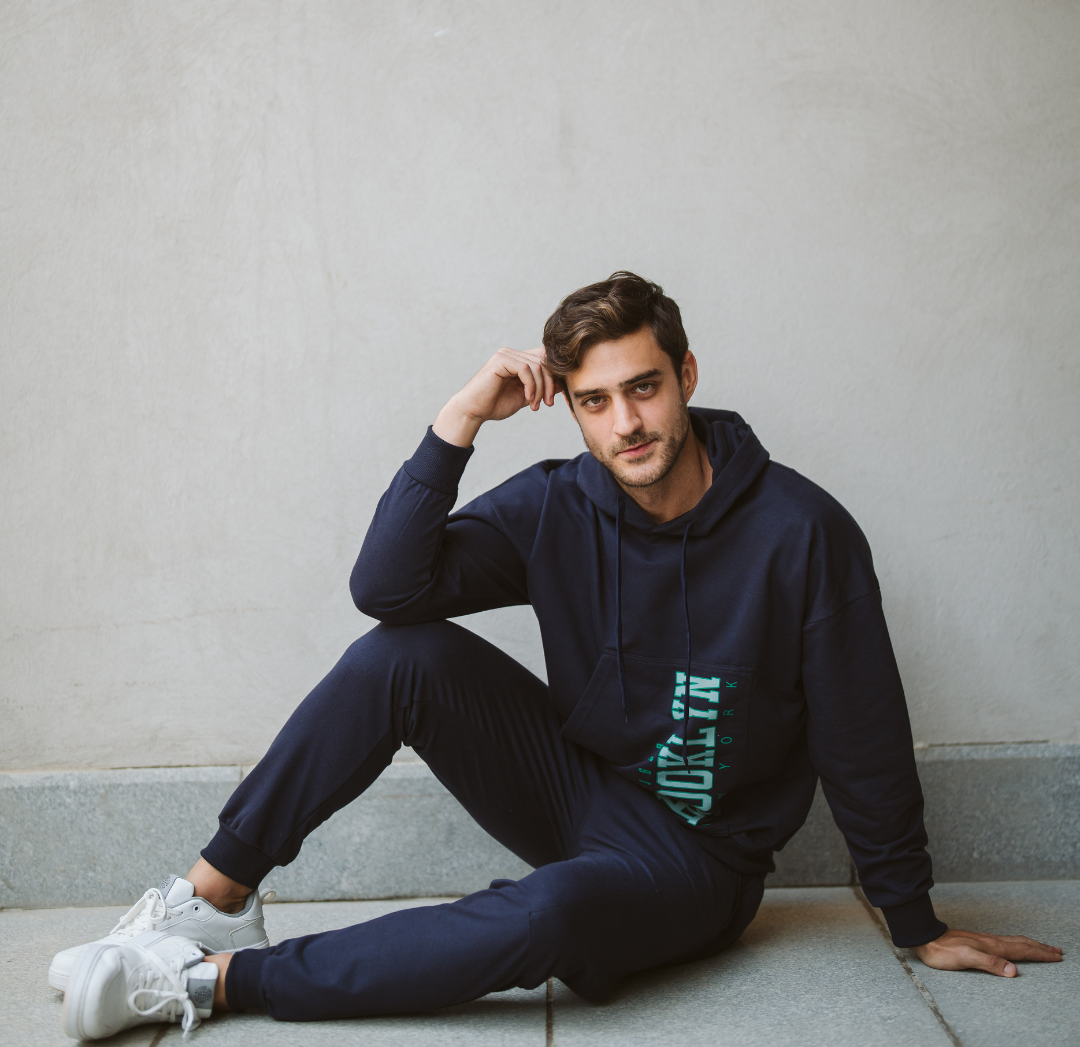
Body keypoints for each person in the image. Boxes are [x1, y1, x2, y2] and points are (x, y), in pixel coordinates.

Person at [55, 272, 1062, 1039]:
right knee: (398, 655)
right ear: (571, 407)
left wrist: (912, 917)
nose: (626, 424)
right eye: (595, 401)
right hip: (576, 787)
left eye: (644, 389)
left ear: (686, 378)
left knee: (551, 913)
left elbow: (862, 731)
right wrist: (458, 421)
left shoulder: (801, 533)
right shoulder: (559, 505)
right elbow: (388, 590)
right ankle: (209, 905)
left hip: (697, 863)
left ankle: (205, 982)